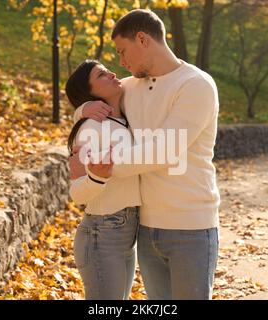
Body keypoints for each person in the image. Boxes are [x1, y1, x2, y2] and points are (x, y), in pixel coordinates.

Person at [70, 9, 221, 300]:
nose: (121, 62)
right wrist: (82, 110)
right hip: (147, 229)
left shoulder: (196, 85)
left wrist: (104, 167)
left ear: (142, 39)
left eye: (122, 51)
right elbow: (93, 95)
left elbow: (163, 151)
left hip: (191, 226)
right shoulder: (131, 86)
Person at [66, 60, 142, 300]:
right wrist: (97, 178)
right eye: (101, 75)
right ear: (91, 93)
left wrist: (81, 107)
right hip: (103, 233)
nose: (111, 73)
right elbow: (76, 193)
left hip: (127, 232)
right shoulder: (91, 126)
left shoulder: (124, 117)